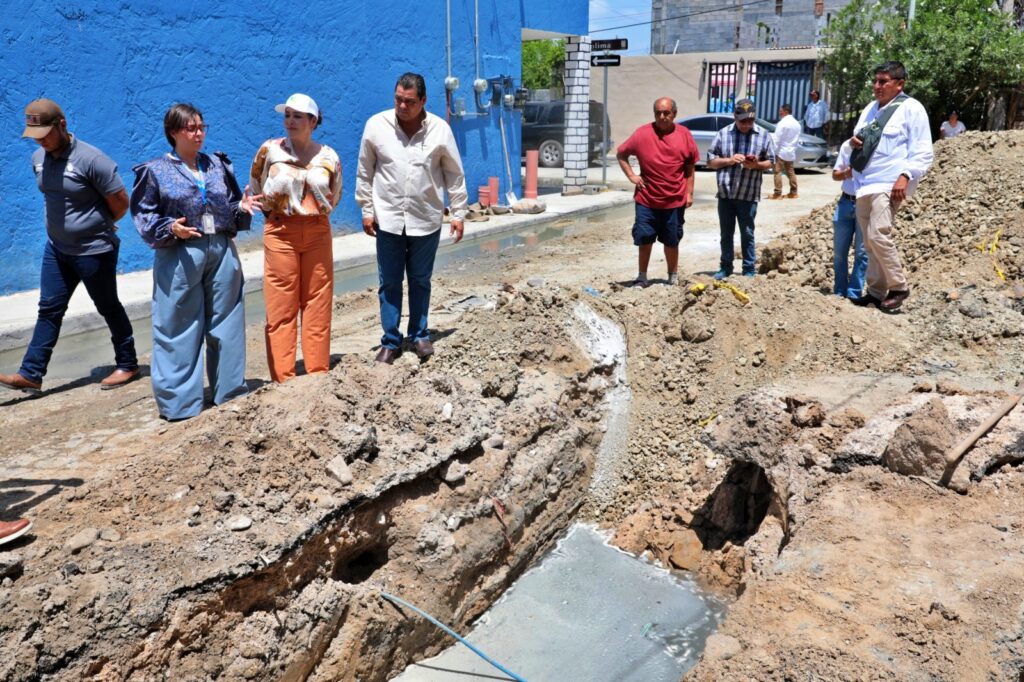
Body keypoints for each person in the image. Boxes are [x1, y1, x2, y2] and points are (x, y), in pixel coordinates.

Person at [0, 99, 139, 396]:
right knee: (49, 309)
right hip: (57, 250)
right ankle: (31, 374)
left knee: (107, 306)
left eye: (46, 134)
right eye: (36, 136)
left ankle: (128, 363)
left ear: (62, 125)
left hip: (94, 250)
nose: (41, 141)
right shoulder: (38, 158)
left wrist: (96, 225)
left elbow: (121, 203)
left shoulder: (92, 159)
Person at [131, 103, 260, 420]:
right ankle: (180, 405)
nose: (199, 133)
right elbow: (145, 215)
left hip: (220, 247)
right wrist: (169, 227)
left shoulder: (216, 164)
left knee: (227, 322)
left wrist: (240, 207)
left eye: (202, 126)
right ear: (174, 132)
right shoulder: (155, 170)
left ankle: (228, 393)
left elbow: (227, 204)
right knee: (177, 326)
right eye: (191, 128)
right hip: (180, 252)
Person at [356, 72, 468, 364]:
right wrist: (366, 209)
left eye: (409, 102)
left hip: (425, 218)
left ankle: (419, 335)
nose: (402, 106)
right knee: (389, 282)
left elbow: (454, 174)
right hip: (388, 219)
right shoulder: (376, 126)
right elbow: (365, 172)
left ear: (423, 101)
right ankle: (391, 341)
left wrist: (458, 213)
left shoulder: (440, 130)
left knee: (420, 280)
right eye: (398, 99)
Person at [250, 94, 342, 383]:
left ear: (313, 121)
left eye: (297, 116)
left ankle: (317, 374)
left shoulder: (329, 157)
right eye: (287, 115)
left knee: (317, 303)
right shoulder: (269, 150)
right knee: (281, 307)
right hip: (280, 232)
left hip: (317, 231)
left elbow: (334, 195)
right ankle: (284, 380)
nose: (290, 121)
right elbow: (256, 184)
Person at [848, 60, 933, 312]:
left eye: (883, 81)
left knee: (878, 234)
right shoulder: (869, 110)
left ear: (899, 84)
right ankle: (875, 293)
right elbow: (860, 138)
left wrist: (906, 175)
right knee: (868, 242)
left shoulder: (911, 108)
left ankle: (898, 286)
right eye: (875, 81)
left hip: (889, 183)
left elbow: (923, 150)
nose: (877, 86)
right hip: (864, 184)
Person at [615, 97, 699, 287]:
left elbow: (690, 167)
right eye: (658, 113)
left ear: (674, 114)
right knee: (644, 238)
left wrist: (689, 193)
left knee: (672, 240)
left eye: (666, 113)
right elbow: (621, 154)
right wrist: (632, 176)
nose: (662, 117)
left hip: (675, 199)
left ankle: (672, 276)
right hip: (647, 200)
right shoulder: (642, 134)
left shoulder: (684, 134)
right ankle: (642, 276)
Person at [706, 98, 775, 280]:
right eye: (742, 121)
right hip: (726, 194)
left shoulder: (763, 135)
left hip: (748, 194)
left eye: (750, 121)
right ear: (734, 117)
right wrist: (729, 160)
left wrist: (756, 165)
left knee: (747, 233)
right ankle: (726, 267)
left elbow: (772, 162)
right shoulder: (723, 134)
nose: (746, 125)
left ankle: (749, 269)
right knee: (726, 234)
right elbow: (711, 161)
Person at [831, 140, 868, 299]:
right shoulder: (847, 146)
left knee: (862, 252)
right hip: (845, 202)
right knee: (839, 252)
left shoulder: (878, 148)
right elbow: (835, 174)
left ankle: (854, 293)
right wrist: (848, 173)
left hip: (865, 203)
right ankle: (839, 291)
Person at [769, 103, 801, 199]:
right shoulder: (797, 124)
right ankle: (794, 192)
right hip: (791, 151)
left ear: (785, 111)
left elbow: (776, 139)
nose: (780, 112)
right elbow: (797, 139)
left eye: (781, 110)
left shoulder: (782, 123)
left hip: (781, 151)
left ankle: (777, 193)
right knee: (790, 172)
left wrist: (772, 151)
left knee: (777, 171)